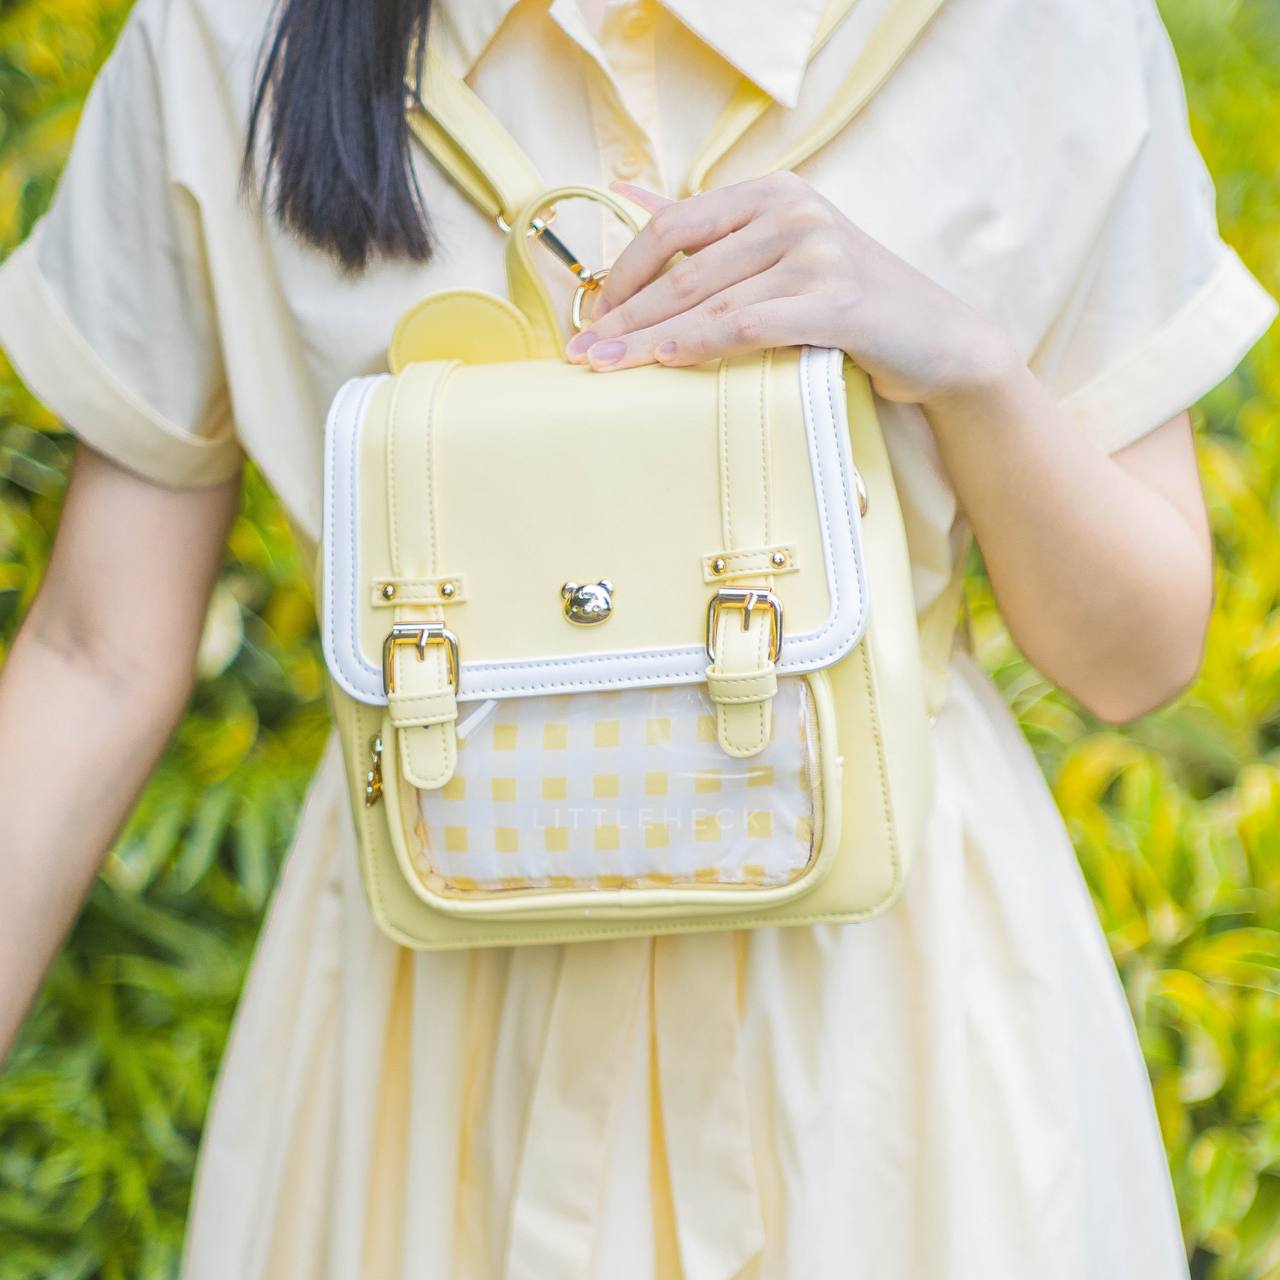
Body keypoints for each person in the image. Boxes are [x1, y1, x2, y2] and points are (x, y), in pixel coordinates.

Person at [0, 0, 1274, 1274]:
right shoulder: (228, 34)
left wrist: (967, 369)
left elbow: (1133, 658)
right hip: (426, 1032)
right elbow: (94, 652)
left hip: (885, 1046)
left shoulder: (1030, 33)